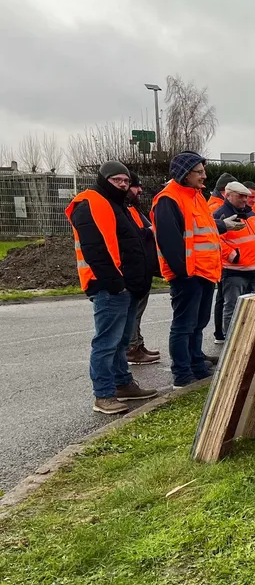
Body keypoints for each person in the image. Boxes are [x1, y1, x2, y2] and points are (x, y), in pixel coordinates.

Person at [66, 161, 158, 414]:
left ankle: (123, 384)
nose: (123, 185)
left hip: (126, 286)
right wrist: (115, 284)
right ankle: (103, 395)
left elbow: (132, 245)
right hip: (110, 287)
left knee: (119, 343)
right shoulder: (90, 204)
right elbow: (94, 249)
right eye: (117, 180)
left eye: (126, 181)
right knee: (106, 343)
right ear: (104, 179)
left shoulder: (118, 206)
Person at [153, 152, 239, 387]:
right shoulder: (168, 199)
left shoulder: (195, 196)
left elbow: (205, 228)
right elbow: (170, 242)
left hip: (204, 272)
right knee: (184, 325)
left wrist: (222, 225)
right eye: (199, 172)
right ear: (185, 174)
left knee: (198, 323)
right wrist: (184, 272)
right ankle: (182, 375)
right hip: (189, 274)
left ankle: (196, 366)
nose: (204, 176)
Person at [214, 182, 255, 333]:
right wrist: (232, 256)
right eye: (241, 196)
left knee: (254, 306)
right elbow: (215, 240)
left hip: (254, 269)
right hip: (234, 270)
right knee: (232, 307)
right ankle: (231, 339)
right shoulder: (220, 215)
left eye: (246, 196)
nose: (245, 199)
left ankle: (248, 336)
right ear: (228, 195)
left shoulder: (251, 213)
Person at [124, 172, 160, 365]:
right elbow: (136, 236)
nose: (140, 190)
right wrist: (149, 232)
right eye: (136, 186)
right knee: (133, 312)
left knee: (137, 311)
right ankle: (132, 349)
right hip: (133, 271)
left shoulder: (131, 209)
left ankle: (137, 344)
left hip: (142, 270)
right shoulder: (124, 210)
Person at [209, 172, 238, 342]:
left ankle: (219, 332)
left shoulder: (214, 204)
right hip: (222, 260)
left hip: (218, 259)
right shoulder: (217, 208)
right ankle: (220, 333)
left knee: (222, 297)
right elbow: (218, 237)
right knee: (224, 298)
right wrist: (231, 255)